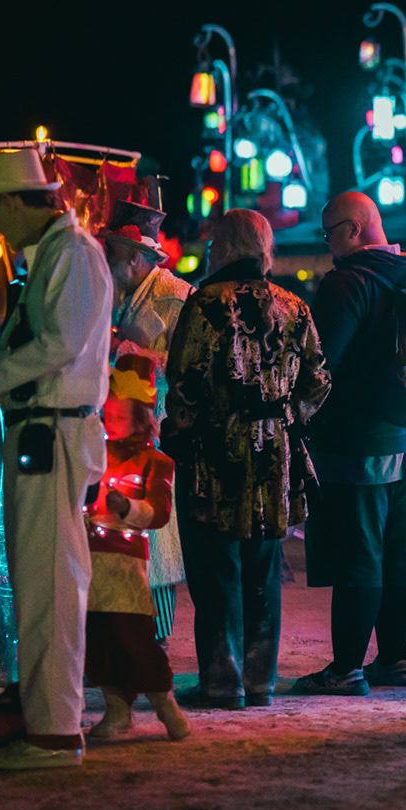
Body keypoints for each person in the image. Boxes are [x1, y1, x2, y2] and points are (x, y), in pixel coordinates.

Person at [0, 149, 111, 770]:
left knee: (48, 585)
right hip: (43, 435)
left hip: (51, 435)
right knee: (43, 583)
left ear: (17, 200)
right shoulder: (59, 254)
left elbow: (60, 343)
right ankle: (49, 723)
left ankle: (53, 734)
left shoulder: (71, 254)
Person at [164, 209, 330, 709]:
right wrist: (286, 418)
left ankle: (223, 680)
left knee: (215, 565)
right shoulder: (294, 306)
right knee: (263, 566)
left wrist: (180, 433)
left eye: (214, 242)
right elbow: (319, 381)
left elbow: (185, 383)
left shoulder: (205, 304)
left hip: (216, 450)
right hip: (275, 451)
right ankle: (261, 680)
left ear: (225, 246)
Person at [293, 192, 406, 697]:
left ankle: (345, 669)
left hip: (358, 446)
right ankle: (394, 660)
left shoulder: (347, 282)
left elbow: (321, 363)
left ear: (353, 229)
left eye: (328, 232)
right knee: (399, 556)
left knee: (358, 556)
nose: (326, 243)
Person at [98, 201, 191, 642]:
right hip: (116, 431)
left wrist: (132, 353)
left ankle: (156, 636)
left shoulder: (177, 298)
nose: (106, 260)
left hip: (157, 429)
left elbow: (190, 366)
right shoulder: (113, 293)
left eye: (112, 252)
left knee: (156, 536)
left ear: (135, 257)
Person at [84, 355, 188, 742]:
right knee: (98, 640)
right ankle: (116, 709)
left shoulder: (155, 462)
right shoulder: (94, 454)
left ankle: (165, 705)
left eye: (120, 416)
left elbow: (159, 513)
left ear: (141, 417)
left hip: (126, 570)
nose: (110, 422)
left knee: (136, 639)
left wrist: (127, 508)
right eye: (107, 414)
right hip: (90, 563)